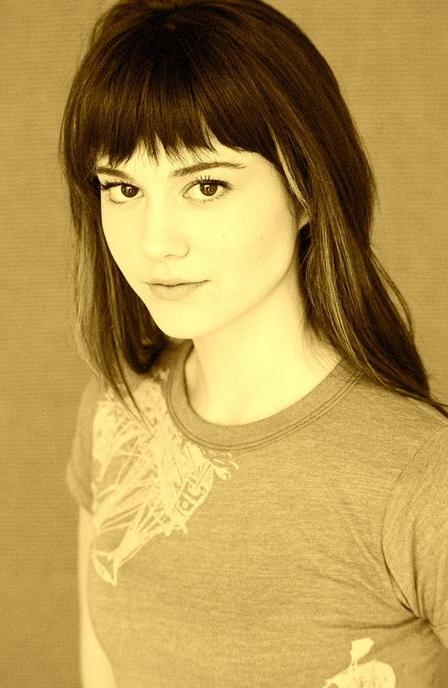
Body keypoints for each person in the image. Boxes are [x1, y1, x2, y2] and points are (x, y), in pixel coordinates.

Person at [61, 0, 448, 686]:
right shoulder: (117, 414)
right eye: (122, 188)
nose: (155, 241)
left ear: (306, 188)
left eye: (206, 186)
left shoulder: (420, 477)